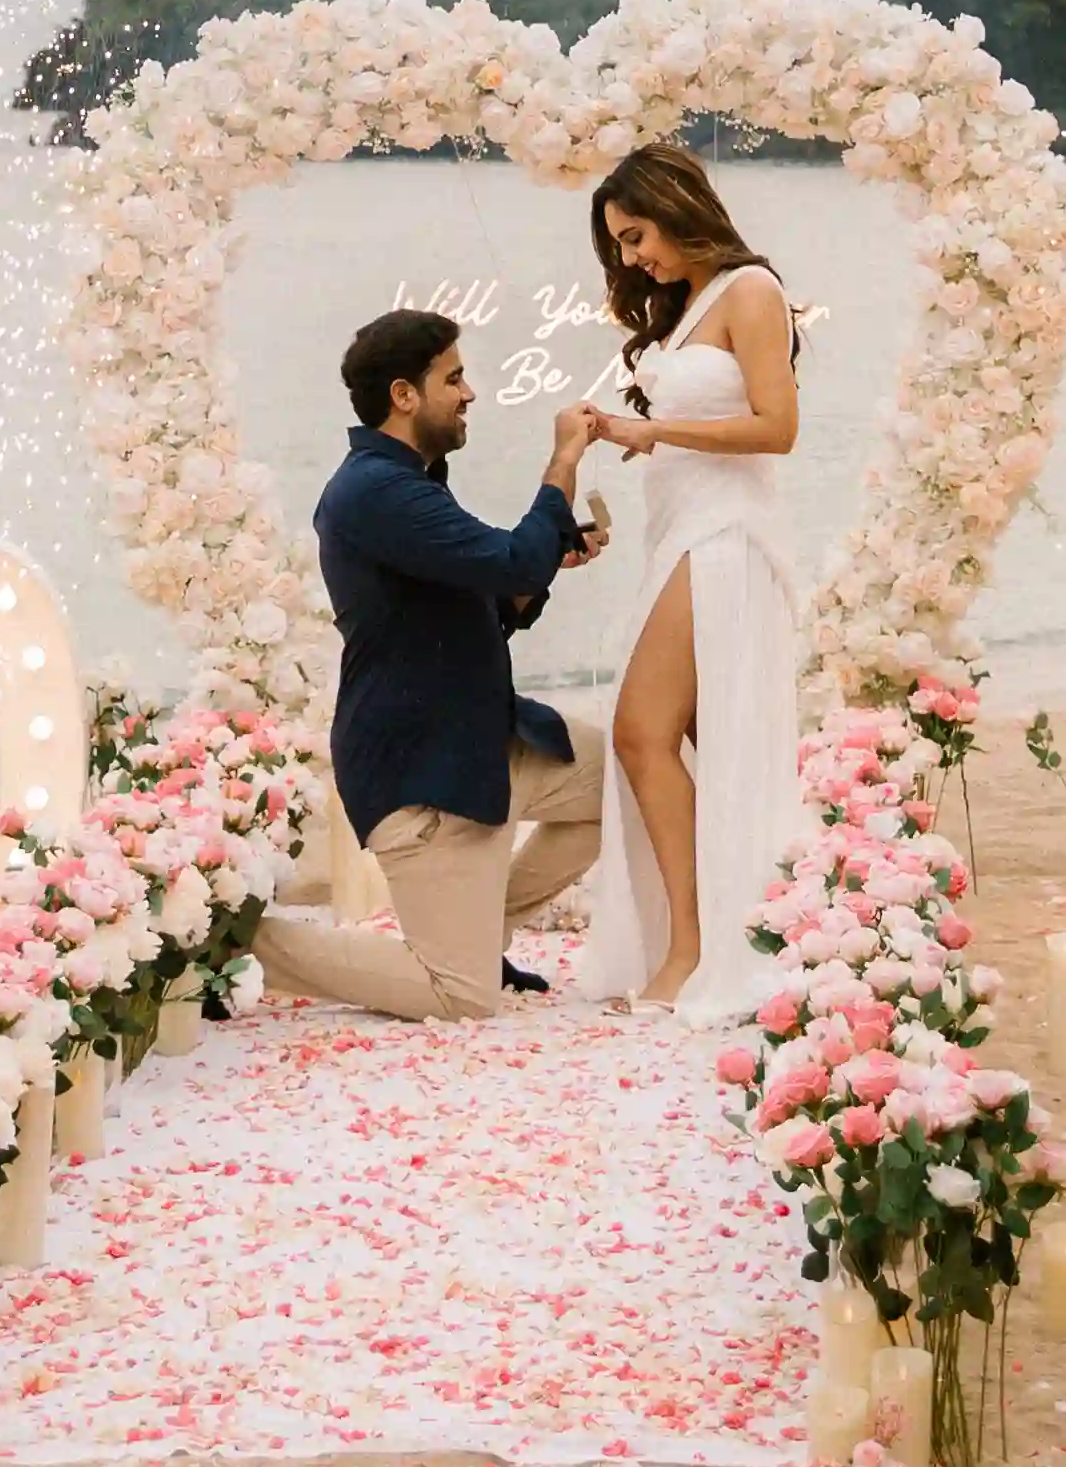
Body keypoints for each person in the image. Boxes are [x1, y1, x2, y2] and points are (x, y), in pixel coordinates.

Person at [255, 307, 610, 1023]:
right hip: (425, 774)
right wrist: (564, 461)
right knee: (461, 995)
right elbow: (510, 559)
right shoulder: (375, 491)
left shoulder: (408, 480)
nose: (469, 392)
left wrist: (548, 559)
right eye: (454, 378)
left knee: (631, 782)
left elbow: (487, 599)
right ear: (404, 395)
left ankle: (476, 930)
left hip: (483, 741)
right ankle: (244, 942)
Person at [575, 145, 803, 1020]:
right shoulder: (685, 308)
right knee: (711, 743)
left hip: (725, 533)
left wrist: (656, 431)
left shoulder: (752, 290)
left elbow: (778, 427)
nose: (632, 258)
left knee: (641, 731)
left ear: (676, 205)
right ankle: (743, 927)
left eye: (636, 235)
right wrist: (627, 432)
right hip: (677, 532)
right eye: (620, 245)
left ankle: (693, 948)